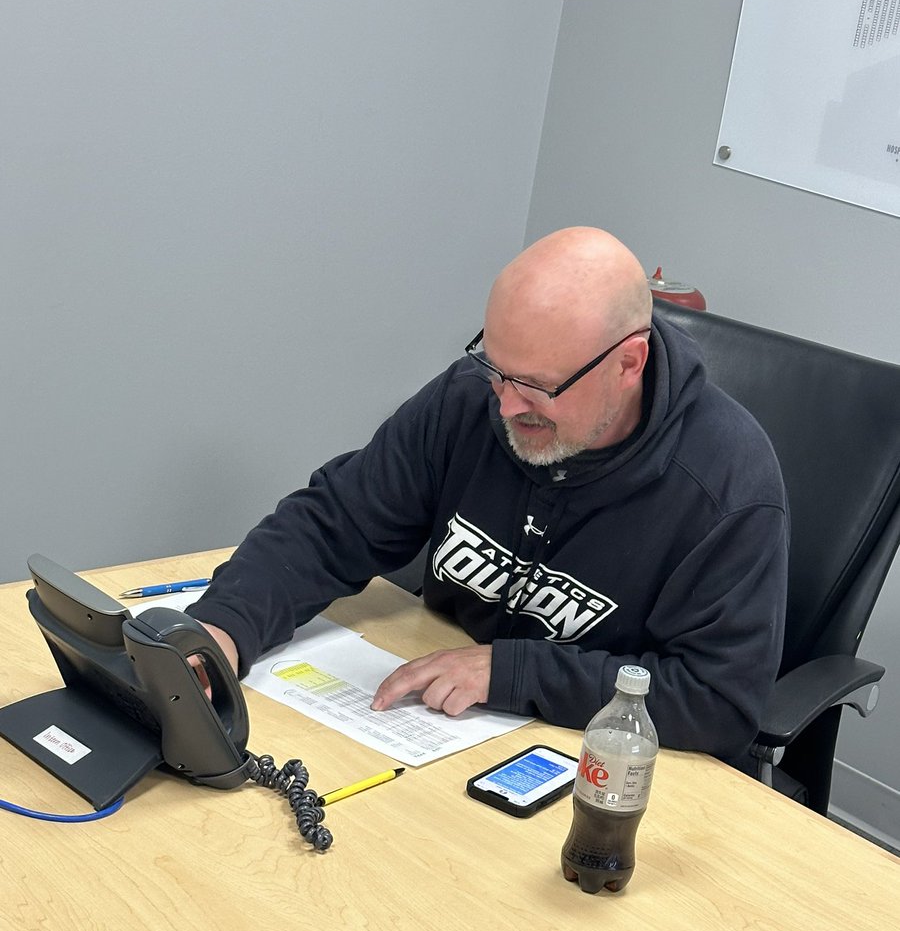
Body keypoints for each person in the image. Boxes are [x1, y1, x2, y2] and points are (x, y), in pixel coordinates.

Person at [187, 227, 788, 770]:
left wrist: (510, 671)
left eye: (537, 387)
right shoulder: (469, 400)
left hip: (595, 773)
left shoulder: (726, 487)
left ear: (629, 363)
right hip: (432, 731)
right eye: (497, 369)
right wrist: (221, 631)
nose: (504, 406)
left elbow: (718, 701)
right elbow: (332, 524)